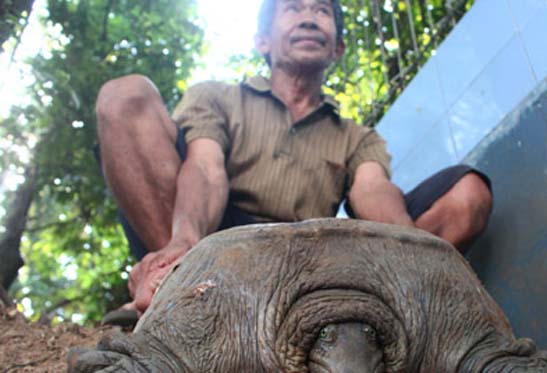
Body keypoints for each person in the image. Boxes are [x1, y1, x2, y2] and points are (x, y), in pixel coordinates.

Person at [95, 0, 492, 316]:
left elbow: (373, 190)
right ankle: (180, 287)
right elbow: (204, 166)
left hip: (308, 266)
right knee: (124, 95)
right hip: (212, 245)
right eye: (292, 9)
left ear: (337, 47)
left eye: (321, 10)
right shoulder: (217, 96)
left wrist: (410, 250)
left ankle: (392, 310)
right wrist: (184, 241)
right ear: (263, 42)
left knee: (467, 194)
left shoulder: (357, 136)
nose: (308, 18)